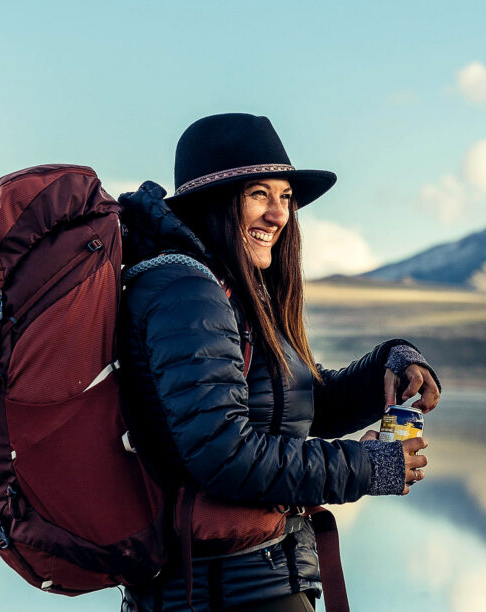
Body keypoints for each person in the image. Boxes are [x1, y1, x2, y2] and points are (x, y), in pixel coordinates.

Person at [118, 113, 441, 612]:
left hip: (254, 580)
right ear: (213, 201)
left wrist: (387, 365)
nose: (278, 215)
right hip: (225, 591)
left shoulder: (230, 289)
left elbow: (294, 407)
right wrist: (364, 467)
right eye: (259, 195)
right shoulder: (188, 295)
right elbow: (225, 454)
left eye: (285, 196)